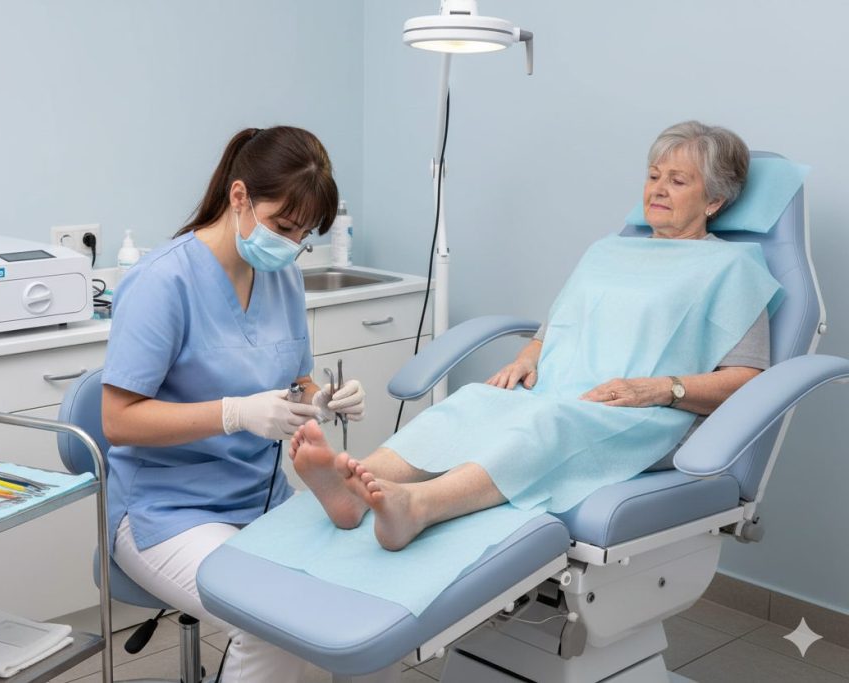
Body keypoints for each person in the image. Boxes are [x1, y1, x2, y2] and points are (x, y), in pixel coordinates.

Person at [289, 120, 779, 552]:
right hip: (557, 391)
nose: (657, 189)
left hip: (641, 416)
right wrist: (529, 356)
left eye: (677, 181)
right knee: (472, 403)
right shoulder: (610, 250)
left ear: (714, 200)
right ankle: (350, 491)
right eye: (653, 176)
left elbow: (747, 380)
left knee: (549, 422)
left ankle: (419, 507)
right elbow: (561, 325)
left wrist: (660, 389)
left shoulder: (732, 268)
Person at [102, 126, 367, 682]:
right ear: (240, 197)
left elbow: (295, 379)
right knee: (270, 622)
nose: (291, 245)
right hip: (166, 511)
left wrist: (324, 400)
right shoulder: (162, 282)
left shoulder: (281, 277)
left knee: (357, 592)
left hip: (260, 498)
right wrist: (235, 413)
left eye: (303, 236)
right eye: (283, 227)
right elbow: (117, 420)